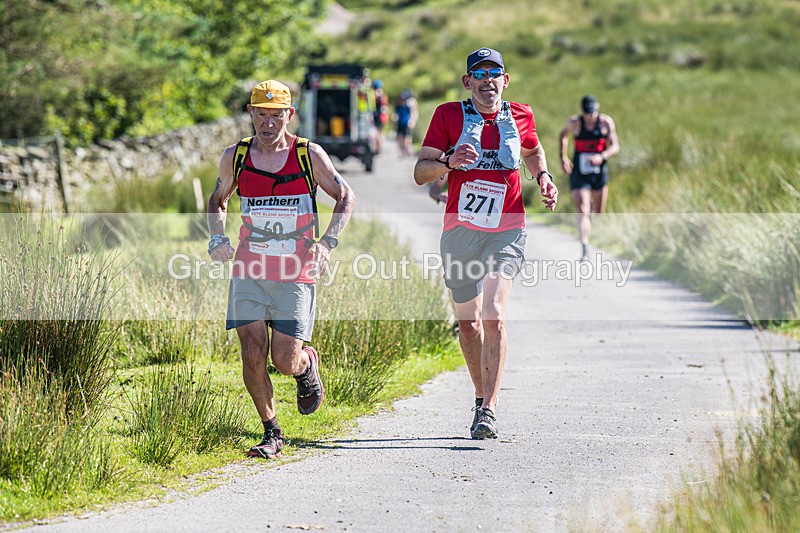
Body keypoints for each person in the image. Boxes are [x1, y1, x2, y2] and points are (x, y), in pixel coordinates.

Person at [414, 47, 558, 440]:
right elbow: (420, 172)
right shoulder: (447, 115)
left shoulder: (522, 114)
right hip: (460, 231)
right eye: (479, 74)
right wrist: (448, 162)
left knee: (494, 312)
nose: (487, 80)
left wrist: (543, 175)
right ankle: (481, 396)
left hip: (507, 228)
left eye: (495, 73)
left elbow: (531, 148)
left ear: (505, 80)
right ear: (468, 82)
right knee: (469, 322)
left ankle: (489, 410)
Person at [207, 80, 355, 459]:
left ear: (289, 115)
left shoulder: (308, 154)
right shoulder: (235, 156)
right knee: (252, 350)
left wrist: (327, 243)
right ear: (251, 113)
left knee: (284, 361)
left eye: (276, 115)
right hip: (249, 268)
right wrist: (217, 238)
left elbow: (345, 196)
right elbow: (218, 199)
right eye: (261, 114)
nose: (268, 123)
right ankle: (271, 430)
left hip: (296, 270)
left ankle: (307, 365)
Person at [558, 95, 620, 261]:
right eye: (587, 113)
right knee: (584, 208)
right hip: (580, 172)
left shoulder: (606, 123)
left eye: (592, 113)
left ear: (597, 108)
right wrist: (563, 157)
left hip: (599, 172)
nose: (590, 116)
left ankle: (600, 244)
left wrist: (603, 156)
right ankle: (585, 247)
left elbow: (615, 146)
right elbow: (563, 135)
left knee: (598, 213)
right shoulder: (575, 123)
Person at [394, 89, 418, 158]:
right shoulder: (399, 104)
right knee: (400, 138)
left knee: (407, 139)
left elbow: (414, 112)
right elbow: (396, 112)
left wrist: (412, 121)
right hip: (400, 123)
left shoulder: (410, 103)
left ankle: (408, 152)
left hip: (407, 123)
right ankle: (402, 152)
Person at [372, 79, 390, 153]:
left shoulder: (376, 93)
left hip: (377, 115)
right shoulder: (381, 94)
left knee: (377, 131)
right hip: (380, 115)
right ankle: (378, 146)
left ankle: (378, 147)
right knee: (379, 131)